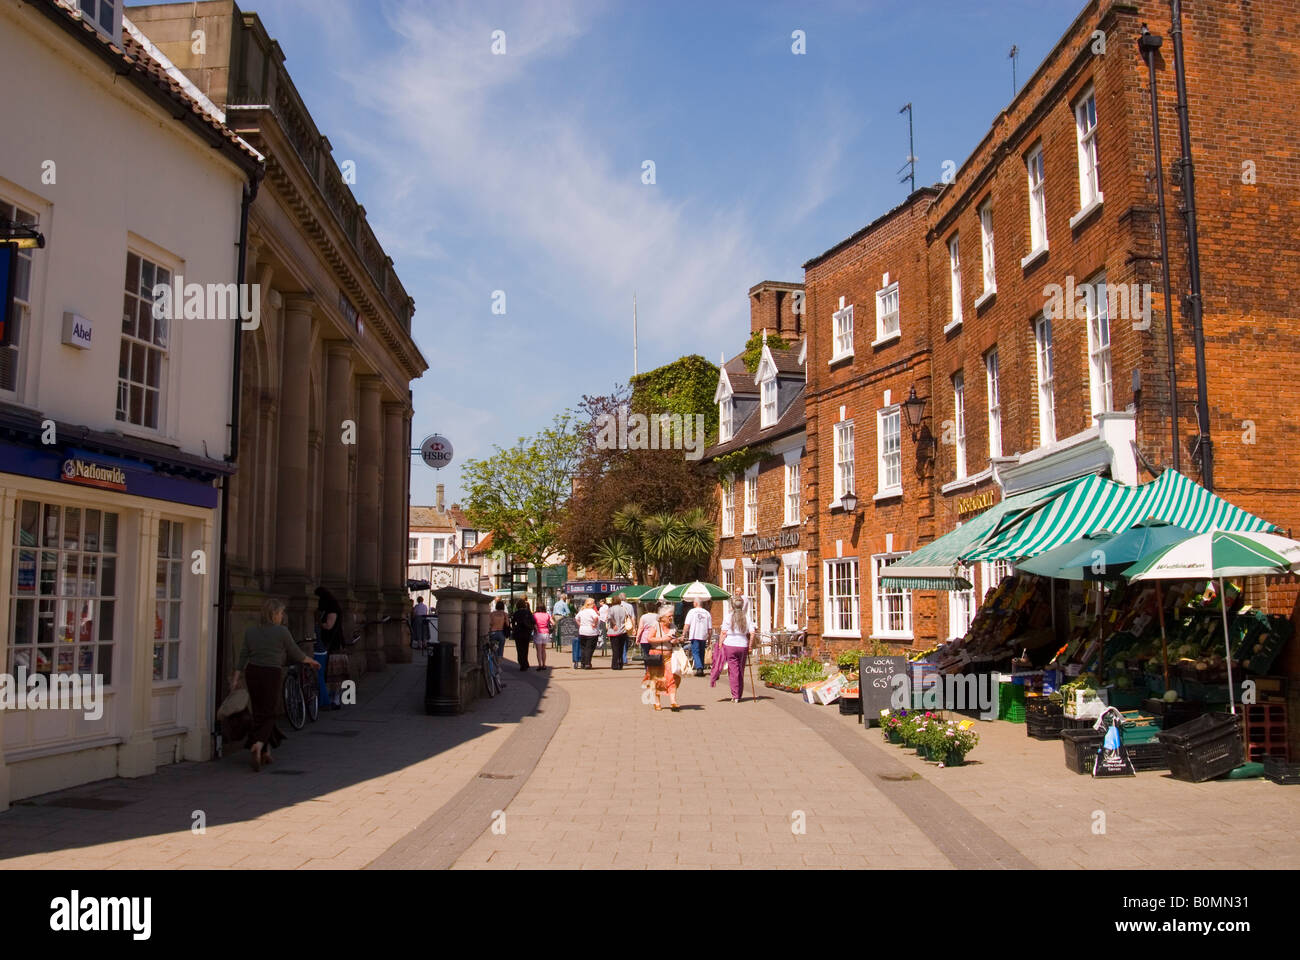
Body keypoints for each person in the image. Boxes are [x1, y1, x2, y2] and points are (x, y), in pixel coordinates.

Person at [232, 597, 320, 771]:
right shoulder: (282, 632)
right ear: (273, 614)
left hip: (253, 673)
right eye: (280, 612)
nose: (282, 616)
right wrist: (311, 661)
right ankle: (257, 744)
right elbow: (296, 653)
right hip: (271, 674)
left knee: (259, 712)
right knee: (270, 712)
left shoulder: (251, 632)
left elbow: (243, 655)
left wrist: (235, 677)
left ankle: (266, 752)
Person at [713, 595, 755, 702]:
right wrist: (750, 645)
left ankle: (735, 695)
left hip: (730, 644)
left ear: (732, 605)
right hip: (743, 645)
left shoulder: (729, 616)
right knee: (740, 670)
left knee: (733, 670)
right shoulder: (747, 617)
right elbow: (752, 633)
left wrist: (720, 644)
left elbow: (723, 632)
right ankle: (739, 694)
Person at [641, 608, 682, 711]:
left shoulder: (673, 627)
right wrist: (664, 639)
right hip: (656, 656)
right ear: (662, 617)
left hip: (669, 656)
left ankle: (673, 701)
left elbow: (674, 639)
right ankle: (657, 702)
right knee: (656, 680)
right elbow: (649, 638)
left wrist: (675, 640)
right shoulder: (656, 625)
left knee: (672, 677)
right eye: (669, 616)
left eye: (672, 616)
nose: (671, 618)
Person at [315, 586, 345, 710]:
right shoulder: (333, 607)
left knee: (335, 673)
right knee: (334, 674)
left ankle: (336, 700)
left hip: (333, 645)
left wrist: (318, 623)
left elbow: (328, 625)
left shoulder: (332, 609)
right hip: (334, 643)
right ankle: (334, 698)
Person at [604, 592, 634, 670]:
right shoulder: (624, 608)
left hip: (614, 631)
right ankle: (620, 663)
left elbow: (609, 618)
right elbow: (628, 617)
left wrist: (614, 624)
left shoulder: (611, 609)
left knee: (615, 649)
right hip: (623, 630)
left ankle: (615, 664)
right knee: (621, 648)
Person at [683, 599, 712, 677]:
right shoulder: (707, 613)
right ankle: (701, 668)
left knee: (695, 652)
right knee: (702, 652)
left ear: (695, 603)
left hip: (695, 634)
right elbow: (710, 628)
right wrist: (709, 639)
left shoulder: (691, 612)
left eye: (693, 602)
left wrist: (683, 634)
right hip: (703, 635)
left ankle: (699, 668)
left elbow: (687, 625)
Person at [575, 597, 601, 669]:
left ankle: (583, 663)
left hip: (582, 631)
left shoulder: (582, 611)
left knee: (583, 648)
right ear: (591, 604)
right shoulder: (591, 611)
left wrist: (580, 624)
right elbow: (596, 618)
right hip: (591, 632)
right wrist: (594, 624)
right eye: (594, 603)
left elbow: (576, 618)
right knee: (590, 648)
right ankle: (587, 663)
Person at [510, 598, 535, 671]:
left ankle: (522, 663)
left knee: (519, 649)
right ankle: (525, 662)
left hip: (518, 632)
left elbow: (513, 622)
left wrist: (514, 629)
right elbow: (533, 621)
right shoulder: (528, 612)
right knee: (525, 648)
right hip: (526, 632)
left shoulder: (516, 613)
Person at [533, 601, 552, 670]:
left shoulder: (535, 615)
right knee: (543, 650)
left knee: (538, 650)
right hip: (546, 633)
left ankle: (539, 665)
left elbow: (533, 624)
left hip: (538, 633)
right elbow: (553, 622)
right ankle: (544, 664)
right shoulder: (547, 615)